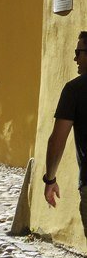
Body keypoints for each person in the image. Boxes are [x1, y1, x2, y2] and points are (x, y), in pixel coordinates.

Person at [43, 30, 87, 238]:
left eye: (78, 52)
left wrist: (50, 179)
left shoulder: (74, 90)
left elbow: (57, 139)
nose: (75, 58)